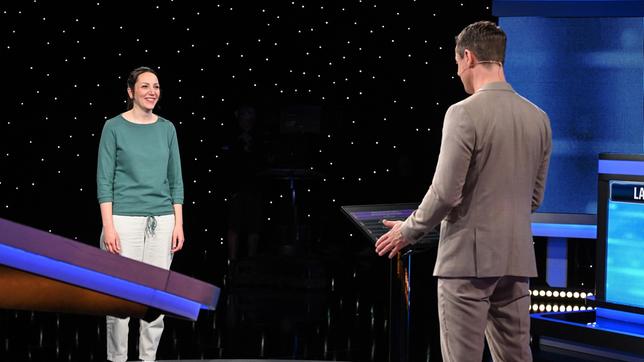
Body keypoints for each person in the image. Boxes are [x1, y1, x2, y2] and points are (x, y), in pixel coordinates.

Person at [375, 21, 552, 362]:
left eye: (457, 64)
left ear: (468, 57)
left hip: (466, 267)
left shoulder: (462, 113)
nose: (457, 73)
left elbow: (445, 193)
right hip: (516, 260)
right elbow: (534, 198)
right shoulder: (538, 117)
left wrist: (407, 231)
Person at [96, 66, 185, 362]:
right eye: (145, 86)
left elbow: (176, 180)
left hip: (161, 222)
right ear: (131, 91)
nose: (152, 92)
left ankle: (148, 359)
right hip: (122, 222)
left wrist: (178, 224)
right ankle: (117, 359)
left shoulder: (167, 128)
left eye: (156, 86)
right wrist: (108, 226)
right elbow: (104, 180)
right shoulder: (114, 127)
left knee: (154, 300)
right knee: (120, 300)